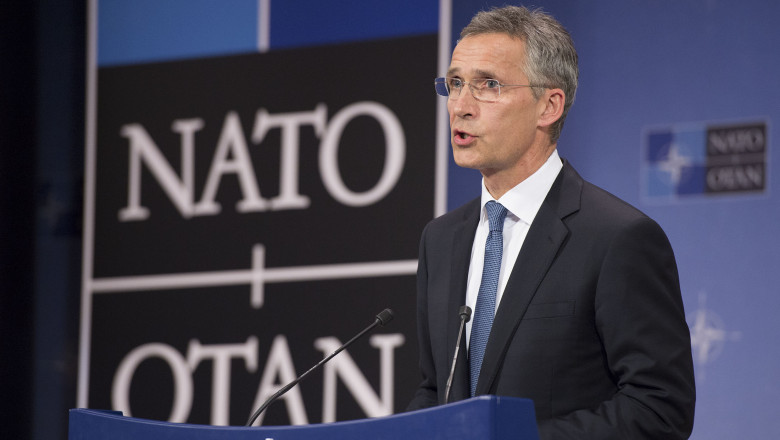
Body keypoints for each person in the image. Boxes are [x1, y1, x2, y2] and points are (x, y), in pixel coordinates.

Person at [407, 5, 696, 439]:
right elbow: (436, 391)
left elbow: (659, 408)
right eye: (455, 83)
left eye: (488, 85)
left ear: (549, 105)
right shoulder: (441, 239)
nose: (461, 107)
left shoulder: (617, 238)